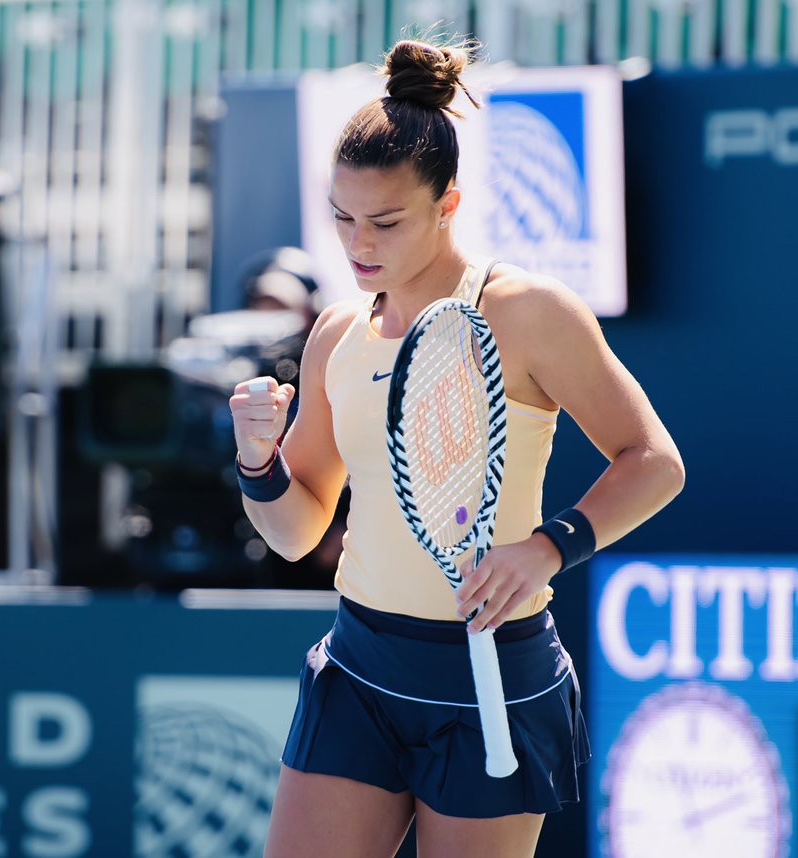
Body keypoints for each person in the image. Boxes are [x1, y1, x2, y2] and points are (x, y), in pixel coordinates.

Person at [228, 37, 684, 858]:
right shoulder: (337, 331)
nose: (358, 243)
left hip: (493, 680)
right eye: (341, 217)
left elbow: (653, 462)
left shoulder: (529, 311)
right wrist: (258, 462)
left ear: (448, 206)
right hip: (359, 669)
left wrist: (547, 549)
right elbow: (296, 532)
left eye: (385, 220)